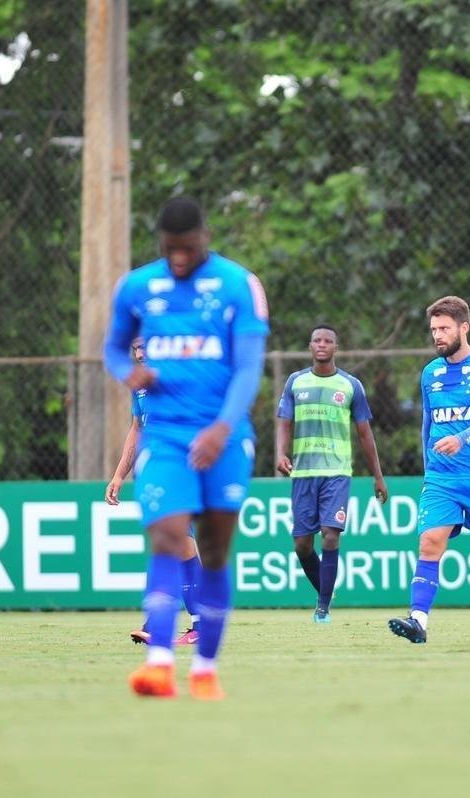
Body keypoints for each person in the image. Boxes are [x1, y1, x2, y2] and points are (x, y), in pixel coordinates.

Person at [104, 196, 268, 700]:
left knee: (215, 550)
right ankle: (158, 664)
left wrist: (223, 426)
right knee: (169, 537)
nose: (178, 258)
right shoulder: (136, 287)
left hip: (224, 436)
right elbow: (112, 347)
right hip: (167, 436)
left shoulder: (239, 285)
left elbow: (247, 366)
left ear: (206, 237)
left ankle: (205, 670)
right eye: (170, 249)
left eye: (188, 248)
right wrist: (126, 371)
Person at [388, 296, 470, 645]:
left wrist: (462, 438)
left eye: (444, 329)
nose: (438, 336)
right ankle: (417, 622)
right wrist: (429, 469)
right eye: (434, 330)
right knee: (429, 543)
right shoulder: (430, 373)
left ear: (464, 327)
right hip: (442, 479)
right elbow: (427, 425)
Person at [275, 325, 388, 623]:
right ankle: (326, 590)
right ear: (310, 346)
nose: (322, 345)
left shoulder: (351, 385)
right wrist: (280, 453)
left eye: (328, 341)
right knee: (302, 545)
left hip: (337, 473)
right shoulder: (295, 382)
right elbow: (284, 422)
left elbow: (365, 434)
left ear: (336, 347)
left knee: (330, 537)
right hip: (303, 474)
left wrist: (378, 476)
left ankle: (322, 608)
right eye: (316, 340)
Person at [104, 338, 200, 647]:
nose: (140, 353)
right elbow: (137, 428)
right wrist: (120, 474)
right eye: (134, 349)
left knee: (177, 543)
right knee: (178, 545)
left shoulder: (182, 375)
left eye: (145, 346)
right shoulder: (139, 385)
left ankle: (175, 623)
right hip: (155, 474)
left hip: (183, 469)